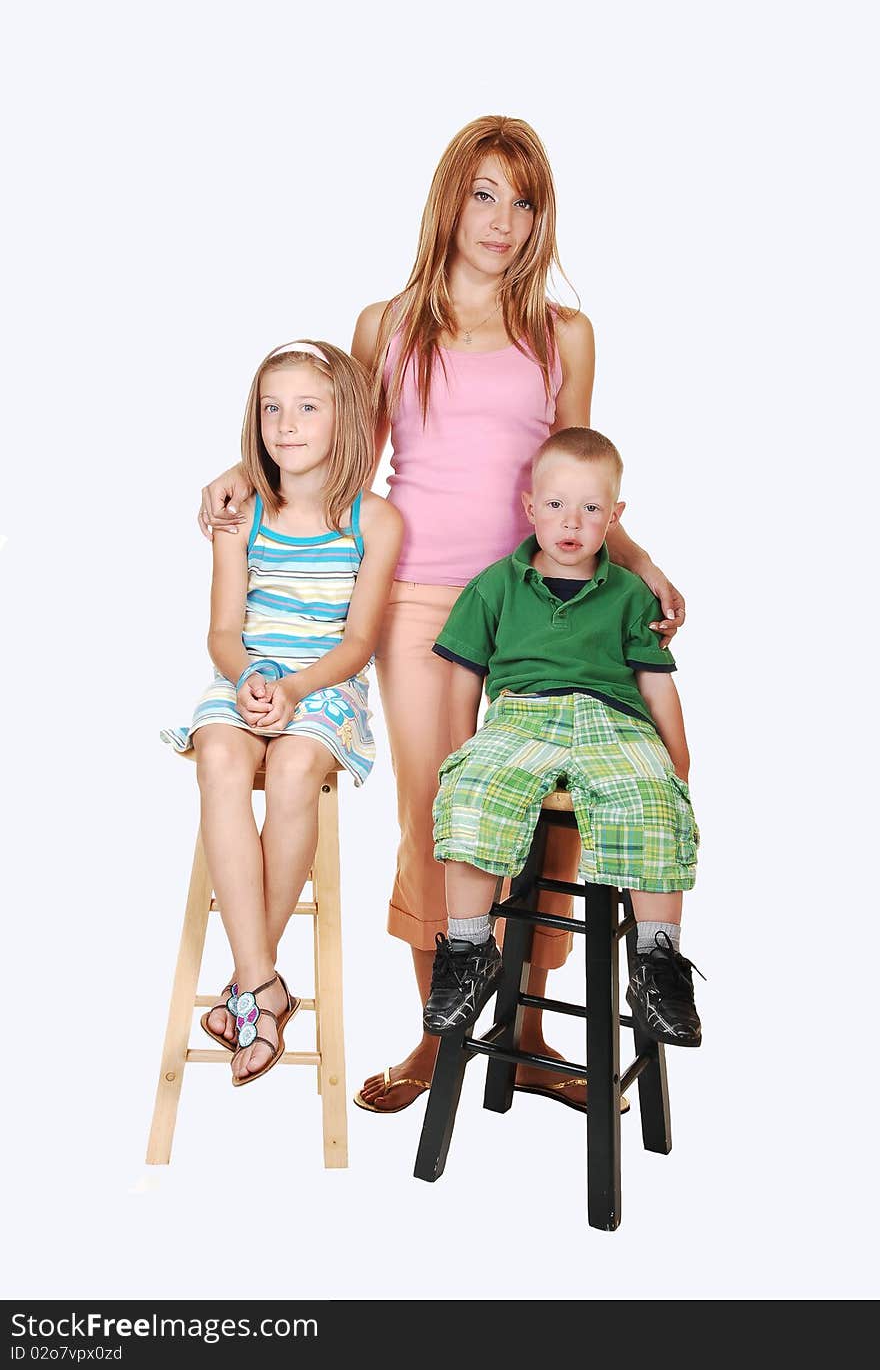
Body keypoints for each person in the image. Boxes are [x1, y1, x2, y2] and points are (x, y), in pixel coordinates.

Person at [198, 116, 686, 1112]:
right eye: (484, 194)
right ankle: (439, 1038)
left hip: (534, 607)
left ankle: (532, 1032)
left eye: (523, 201)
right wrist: (244, 475)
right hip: (417, 605)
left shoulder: (564, 333)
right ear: (450, 198)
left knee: (550, 824)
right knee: (443, 818)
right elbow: (341, 465)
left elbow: (574, 476)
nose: (502, 220)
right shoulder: (389, 325)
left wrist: (638, 560)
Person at [163, 340, 403, 1085]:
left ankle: (247, 990)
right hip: (244, 678)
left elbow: (360, 640)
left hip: (325, 684)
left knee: (297, 765)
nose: (286, 423)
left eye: (307, 407)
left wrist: (296, 689)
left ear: (347, 420)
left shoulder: (376, 520)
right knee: (220, 755)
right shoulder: (242, 514)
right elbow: (222, 632)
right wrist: (249, 681)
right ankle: (263, 985)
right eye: (272, 408)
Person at [424, 427, 703, 1052]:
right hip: (522, 715)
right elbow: (463, 679)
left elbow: (656, 688)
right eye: (555, 505)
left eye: (591, 508)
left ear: (616, 516)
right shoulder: (494, 585)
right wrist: (458, 751)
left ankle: (657, 966)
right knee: (472, 794)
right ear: (530, 507)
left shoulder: (632, 595)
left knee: (651, 801)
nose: (570, 522)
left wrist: (677, 762)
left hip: (613, 720)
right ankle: (468, 950)